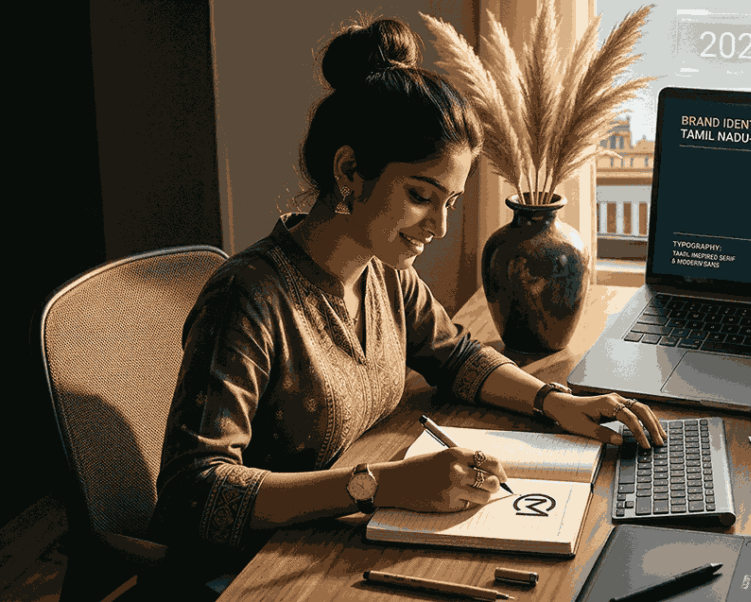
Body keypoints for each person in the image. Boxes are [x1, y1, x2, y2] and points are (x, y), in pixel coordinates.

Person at [150, 16, 665, 563]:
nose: (438, 228)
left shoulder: (385, 271)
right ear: (349, 169)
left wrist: (554, 401)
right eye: (421, 196)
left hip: (338, 542)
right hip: (250, 571)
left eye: (451, 203)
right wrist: (380, 485)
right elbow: (192, 492)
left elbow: (456, 356)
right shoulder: (248, 297)